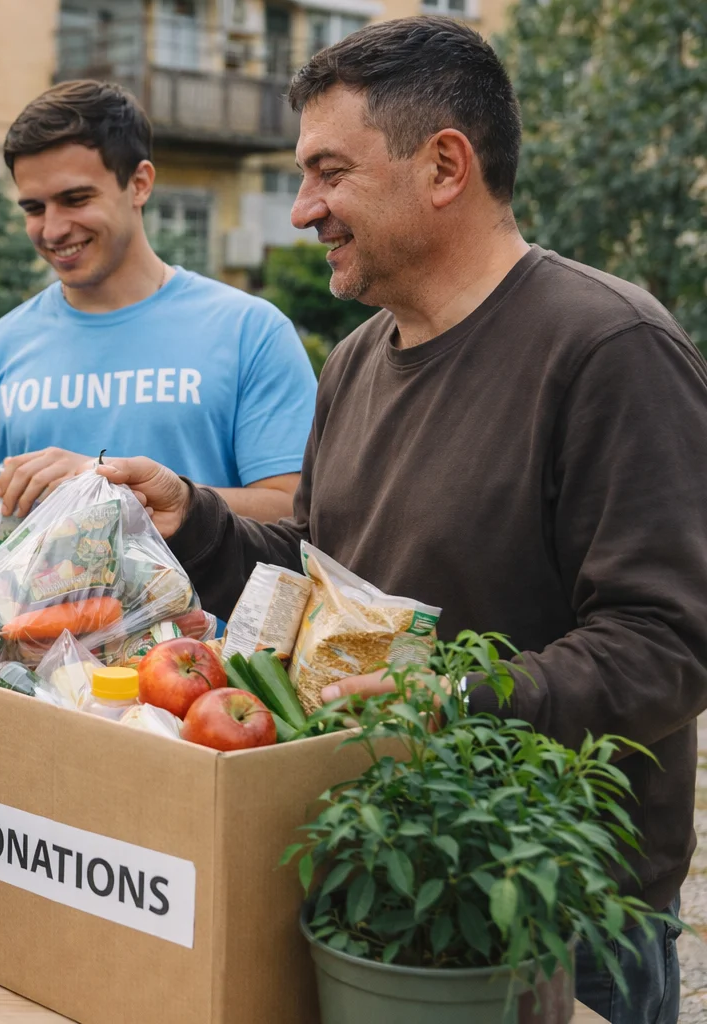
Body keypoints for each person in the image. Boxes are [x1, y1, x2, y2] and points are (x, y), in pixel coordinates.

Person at [99, 18, 707, 1022]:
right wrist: (195, 520)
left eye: (329, 172)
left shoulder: (610, 348)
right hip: (377, 876)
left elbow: (670, 641)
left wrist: (457, 699)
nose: (304, 210)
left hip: (551, 911)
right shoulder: (357, 359)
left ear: (444, 165)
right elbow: (322, 568)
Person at [0, 79, 318, 590]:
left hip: (200, 663)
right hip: (30, 664)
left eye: (75, 198)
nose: (53, 228)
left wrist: (101, 485)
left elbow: (293, 513)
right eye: (34, 207)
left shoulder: (249, 330)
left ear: (140, 183)